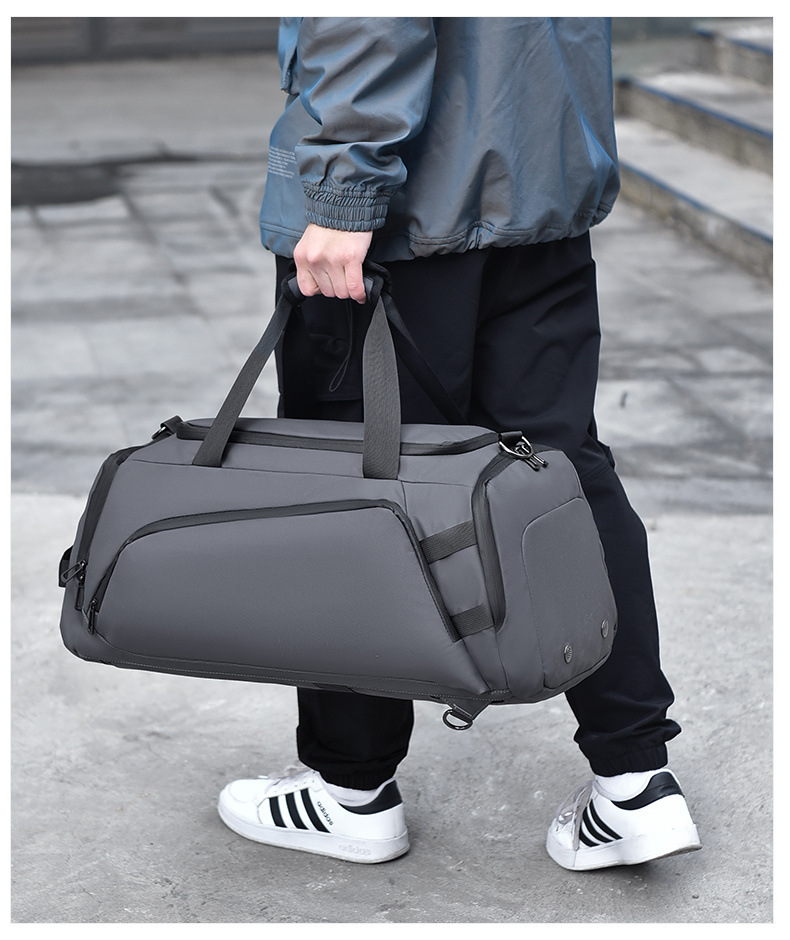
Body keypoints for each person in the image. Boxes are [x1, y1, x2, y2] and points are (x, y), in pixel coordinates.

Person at [217, 17, 701, 871]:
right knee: (560, 475)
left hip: (404, 210)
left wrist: (341, 190)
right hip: (539, 180)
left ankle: (350, 790)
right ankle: (637, 783)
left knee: (354, 488)